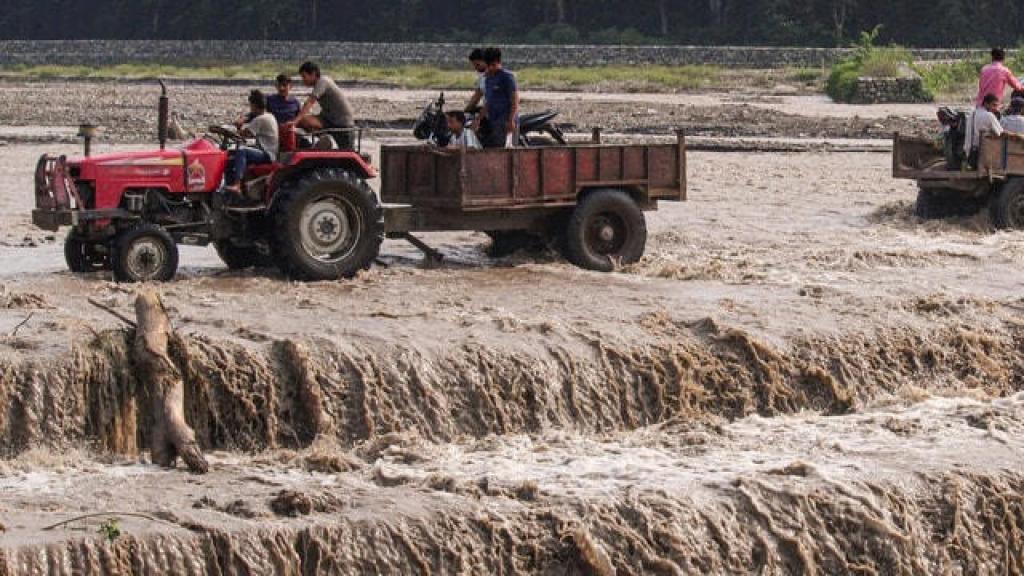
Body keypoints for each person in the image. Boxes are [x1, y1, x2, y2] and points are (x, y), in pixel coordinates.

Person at [223, 90, 278, 196]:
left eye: (251, 105)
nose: (250, 108)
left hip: (268, 154)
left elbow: (244, 134)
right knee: (230, 158)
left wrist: (238, 126)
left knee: (241, 151)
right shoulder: (269, 115)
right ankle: (229, 190)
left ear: (254, 106)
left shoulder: (261, 119)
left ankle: (237, 185)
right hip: (265, 150)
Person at [294, 61, 356, 149]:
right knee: (304, 120)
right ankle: (324, 140)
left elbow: (309, 102)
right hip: (328, 119)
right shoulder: (320, 83)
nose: (303, 80)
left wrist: (295, 122)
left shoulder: (323, 81)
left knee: (347, 153)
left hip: (342, 123)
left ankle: (327, 142)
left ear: (313, 74)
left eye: (304, 77)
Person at [481, 47, 519, 148]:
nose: (490, 68)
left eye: (493, 65)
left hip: (506, 122)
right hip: (494, 122)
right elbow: (488, 102)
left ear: (499, 62)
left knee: (508, 152)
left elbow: (514, 101)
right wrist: (478, 119)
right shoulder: (488, 79)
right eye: (488, 65)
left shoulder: (507, 77)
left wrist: (511, 120)